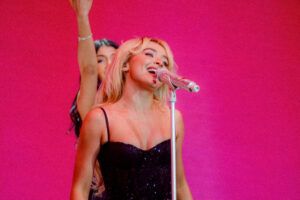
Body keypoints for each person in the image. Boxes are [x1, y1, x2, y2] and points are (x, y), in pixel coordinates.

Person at [70, 37, 193, 200]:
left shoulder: (173, 118)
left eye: (165, 62)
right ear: (125, 64)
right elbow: (80, 188)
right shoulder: (99, 119)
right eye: (149, 54)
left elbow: (180, 185)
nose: (159, 63)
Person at [69, 0, 119, 199]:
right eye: (101, 60)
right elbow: (89, 71)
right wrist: (82, 17)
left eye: (114, 58)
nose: (108, 65)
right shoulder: (92, 106)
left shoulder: (134, 105)